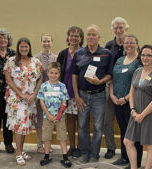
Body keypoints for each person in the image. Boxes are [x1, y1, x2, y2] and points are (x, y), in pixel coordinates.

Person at [71, 24, 113, 163]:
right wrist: (76, 96)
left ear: (99, 37)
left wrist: (100, 81)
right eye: (88, 34)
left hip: (99, 95)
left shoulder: (106, 53)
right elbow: (74, 76)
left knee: (98, 127)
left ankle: (94, 155)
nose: (90, 37)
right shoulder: (79, 53)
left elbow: (110, 75)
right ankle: (84, 153)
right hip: (82, 95)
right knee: (82, 126)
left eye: (93, 34)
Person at [4, 37, 43, 166]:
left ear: (29, 48)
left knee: (25, 125)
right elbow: (8, 80)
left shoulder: (35, 62)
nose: (24, 49)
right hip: (17, 99)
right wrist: (20, 94)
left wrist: (35, 93)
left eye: (26, 46)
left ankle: (21, 149)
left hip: (31, 99)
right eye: (22, 47)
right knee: (19, 126)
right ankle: (18, 153)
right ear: (18, 48)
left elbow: (41, 78)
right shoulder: (11, 61)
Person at [124, 45, 152, 169]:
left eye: (149, 55)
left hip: (149, 114)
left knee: (150, 145)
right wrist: (132, 110)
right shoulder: (137, 71)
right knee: (128, 142)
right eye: (143, 55)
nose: (145, 58)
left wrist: (142, 115)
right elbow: (132, 91)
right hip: (135, 113)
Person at [110, 34, 142, 167]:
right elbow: (113, 79)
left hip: (132, 102)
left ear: (137, 44)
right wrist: (112, 95)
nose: (128, 45)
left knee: (134, 133)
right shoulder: (119, 60)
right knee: (123, 130)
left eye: (131, 42)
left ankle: (136, 161)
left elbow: (138, 83)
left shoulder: (139, 61)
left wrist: (126, 98)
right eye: (126, 43)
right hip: (117, 101)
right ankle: (124, 157)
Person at [37, 62, 72, 168]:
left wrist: (59, 115)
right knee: (46, 137)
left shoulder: (62, 86)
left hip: (60, 118)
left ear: (59, 74)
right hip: (47, 117)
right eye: (51, 73)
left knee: (62, 136)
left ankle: (65, 156)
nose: (53, 75)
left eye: (56, 73)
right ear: (47, 73)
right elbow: (41, 101)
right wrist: (48, 114)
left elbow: (64, 102)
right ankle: (47, 156)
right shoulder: (44, 86)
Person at [104, 17, 129, 160]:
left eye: (121, 27)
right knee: (107, 120)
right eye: (116, 28)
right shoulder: (108, 46)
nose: (118, 30)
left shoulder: (131, 43)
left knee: (125, 122)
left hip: (127, 89)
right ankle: (110, 147)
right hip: (110, 86)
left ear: (126, 28)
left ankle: (126, 151)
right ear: (113, 29)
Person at [57, 26, 84, 158]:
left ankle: (80, 147)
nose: (74, 38)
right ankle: (72, 146)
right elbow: (57, 73)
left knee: (81, 121)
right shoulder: (63, 54)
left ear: (81, 38)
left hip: (81, 94)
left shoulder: (84, 53)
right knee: (70, 120)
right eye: (71, 35)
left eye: (77, 36)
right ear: (68, 37)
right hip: (66, 94)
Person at [35, 33, 57, 153]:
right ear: (41, 42)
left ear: (52, 42)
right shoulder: (36, 58)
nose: (46, 43)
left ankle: (47, 143)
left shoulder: (56, 58)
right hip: (40, 93)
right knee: (40, 118)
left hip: (53, 94)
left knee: (49, 119)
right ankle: (39, 143)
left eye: (48, 41)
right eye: (44, 41)